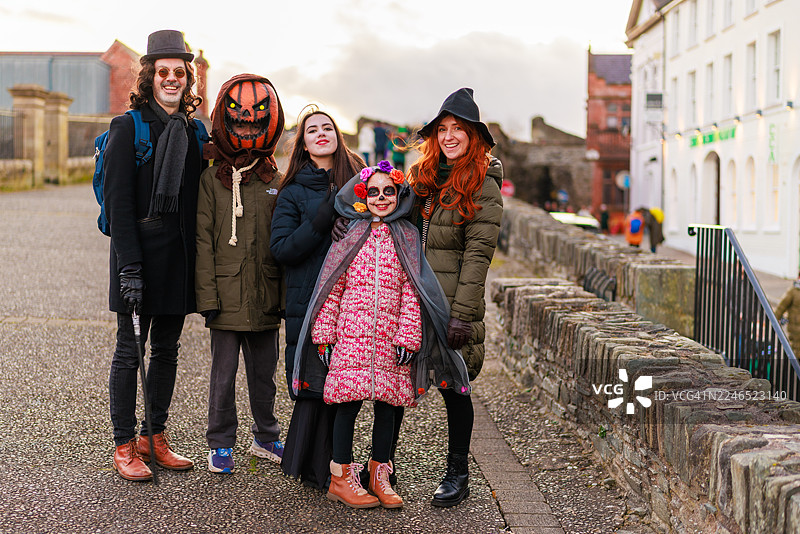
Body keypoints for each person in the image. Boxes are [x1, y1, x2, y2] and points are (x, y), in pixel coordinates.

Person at [293, 161, 471, 509]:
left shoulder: (404, 236)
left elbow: (412, 290)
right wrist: (325, 333)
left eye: (388, 191)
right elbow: (332, 287)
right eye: (373, 191)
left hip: (389, 342)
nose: (381, 197)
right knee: (347, 405)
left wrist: (408, 336)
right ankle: (342, 475)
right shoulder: (349, 236)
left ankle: (379, 473)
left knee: (387, 408)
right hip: (351, 338)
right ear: (362, 196)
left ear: (398, 194)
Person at [103, 29, 206, 481]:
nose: (170, 79)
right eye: (162, 72)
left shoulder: (193, 130)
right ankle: (124, 444)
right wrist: (129, 269)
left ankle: (154, 436)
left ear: (187, 78)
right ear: (150, 77)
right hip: (137, 258)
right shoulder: (128, 127)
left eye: (177, 73)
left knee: (167, 350)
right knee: (131, 350)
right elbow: (120, 204)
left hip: (178, 259)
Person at [405, 88, 503, 507]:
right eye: (442, 129)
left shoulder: (483, 185)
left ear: (473, 136)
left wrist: (461, 315)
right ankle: (381, 468)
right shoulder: (423, 178)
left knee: (454, 388)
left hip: (449, 305)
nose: (448, 136)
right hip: (411, 299)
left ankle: (457, 473)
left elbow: (478, 255)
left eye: (457, 129)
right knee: (393, 384)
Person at [270, 107, 365, 491]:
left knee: (352, 379)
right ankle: (315, 465)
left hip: (357, 297)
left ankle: (346, 461)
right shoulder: (292, 190)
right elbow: (283, 249)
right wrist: (324, 218)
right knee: (314, 379)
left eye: (328, 127)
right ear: (303, 142)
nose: (321, 133)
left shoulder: (360, 179)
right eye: (313, 130)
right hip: (309, 297)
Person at [195, 74, 286, 474]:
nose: (247, 125)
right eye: (239, 119)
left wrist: (283, 297)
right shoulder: (211, 182)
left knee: (265, 375)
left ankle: (266, 435)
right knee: (223, 376)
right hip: (226, 297)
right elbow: (202, 243)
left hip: (265, 296)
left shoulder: (276, 181)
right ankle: (220, 443)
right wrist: (207, 299)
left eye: (256, 120)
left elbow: (284, 245)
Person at [775, 274, 800, 358]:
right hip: (795, 329)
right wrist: (774, 320)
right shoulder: (793, 291)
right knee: (796, 352)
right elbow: (781, 307)